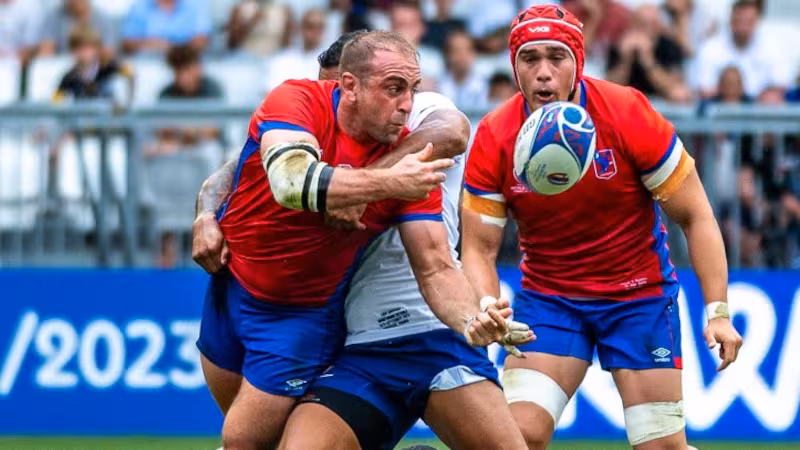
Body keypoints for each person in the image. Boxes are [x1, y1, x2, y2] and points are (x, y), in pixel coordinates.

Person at [193, 30, 530, 450]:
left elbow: (436, 264)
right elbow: (276, 176)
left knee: (242, 440)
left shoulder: (415, 150)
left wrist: (472, 320)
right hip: (244, 290)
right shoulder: (300, 104)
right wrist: (205, 212)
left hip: (328, 318)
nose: (406, 102)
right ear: (345, 87)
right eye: (394, 89)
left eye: (411, 89)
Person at [460, 5, 743, 449]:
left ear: (579, 61)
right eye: (530, 59)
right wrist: (484, 304)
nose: (543, 73)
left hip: (638, 298)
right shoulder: (495, 135)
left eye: (557, 57)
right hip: (551, 301)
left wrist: (719, 312)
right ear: (514, 67)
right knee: (516, 438)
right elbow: (477, 248)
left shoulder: (627, 112)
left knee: (660, 447)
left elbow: (696, 215)